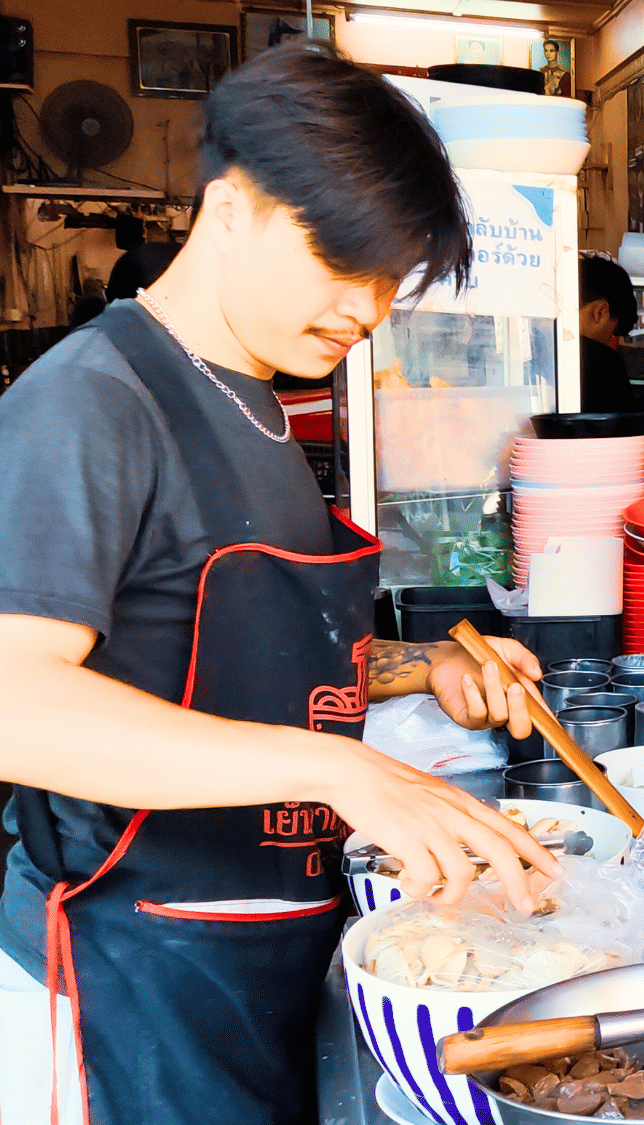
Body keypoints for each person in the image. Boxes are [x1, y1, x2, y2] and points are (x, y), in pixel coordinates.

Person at [0, 43, 558, 1125]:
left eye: (389, 280)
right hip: (125, 977)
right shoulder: (92, 403)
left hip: (255, 957)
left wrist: (422, 667)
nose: (368, 307)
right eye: (344, 264)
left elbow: (215, 650)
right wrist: (339, 769)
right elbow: (15, 703)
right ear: (233, 209)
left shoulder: (251, 401)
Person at [579, 254, 640, 413]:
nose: (610, 341)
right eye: (613, 333)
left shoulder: (534, 349)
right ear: (600, 312)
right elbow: (627, 425)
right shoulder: (604, 363)